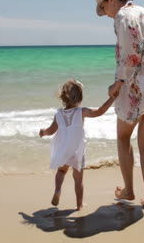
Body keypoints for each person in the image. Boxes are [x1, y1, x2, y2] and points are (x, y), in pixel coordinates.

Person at [94, 0, 144, 209]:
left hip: (138, 86)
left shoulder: (122, 16)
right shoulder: (143, 11)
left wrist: (118, 83)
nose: (106, 13)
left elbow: (132, 53)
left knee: (123, 137)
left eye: (104, 7)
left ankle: (128, 191)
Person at [39, 79, 116, 211]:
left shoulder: (59, 114)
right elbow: (99, 111)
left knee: (61, 171)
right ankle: (79, 205)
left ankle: (57, 190)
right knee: (78, 179)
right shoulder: (81, 112)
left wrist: (43, 132)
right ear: (80, 97)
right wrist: (111, 99)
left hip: (63, 149)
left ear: (63, 97)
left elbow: (51, 130)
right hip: (77, 151)